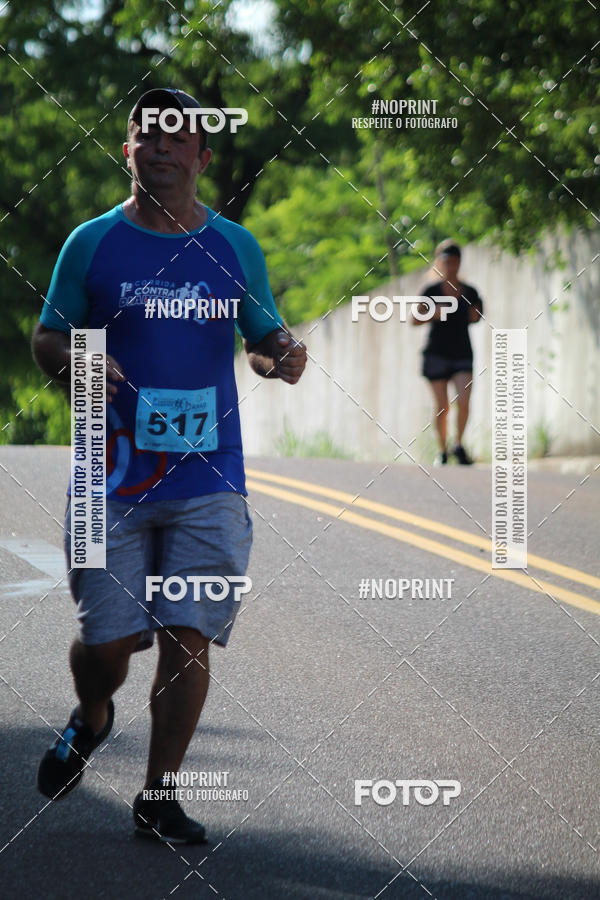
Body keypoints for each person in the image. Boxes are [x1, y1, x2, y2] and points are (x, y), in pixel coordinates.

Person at [31, 87, 307, 843]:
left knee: (189, 637)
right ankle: (93, 714)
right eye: (146, 136)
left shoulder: (233, 247)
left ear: (201, 156)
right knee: (105, 647)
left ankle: (159, 795)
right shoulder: (91, 243)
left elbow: (260, 334)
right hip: (106, 479)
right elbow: (49, 338)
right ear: (127, 150)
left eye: (176, 138)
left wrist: (279, 354)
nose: (160, 148)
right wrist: (85, 365)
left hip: (208, 479)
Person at [412, 239, 483, 465]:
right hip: (436, 354)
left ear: (459, 262)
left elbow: (477, 316)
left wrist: (474, 314)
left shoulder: (470, 291)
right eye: (446, 261)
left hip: (462, 352)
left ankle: (458, 445)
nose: (451, 265)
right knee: (442, 405)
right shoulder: (431, 291)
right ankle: (442, 450)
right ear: (439, 263)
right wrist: (434, 313)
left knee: (463, 401)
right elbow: (415, 319)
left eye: (454, 261)